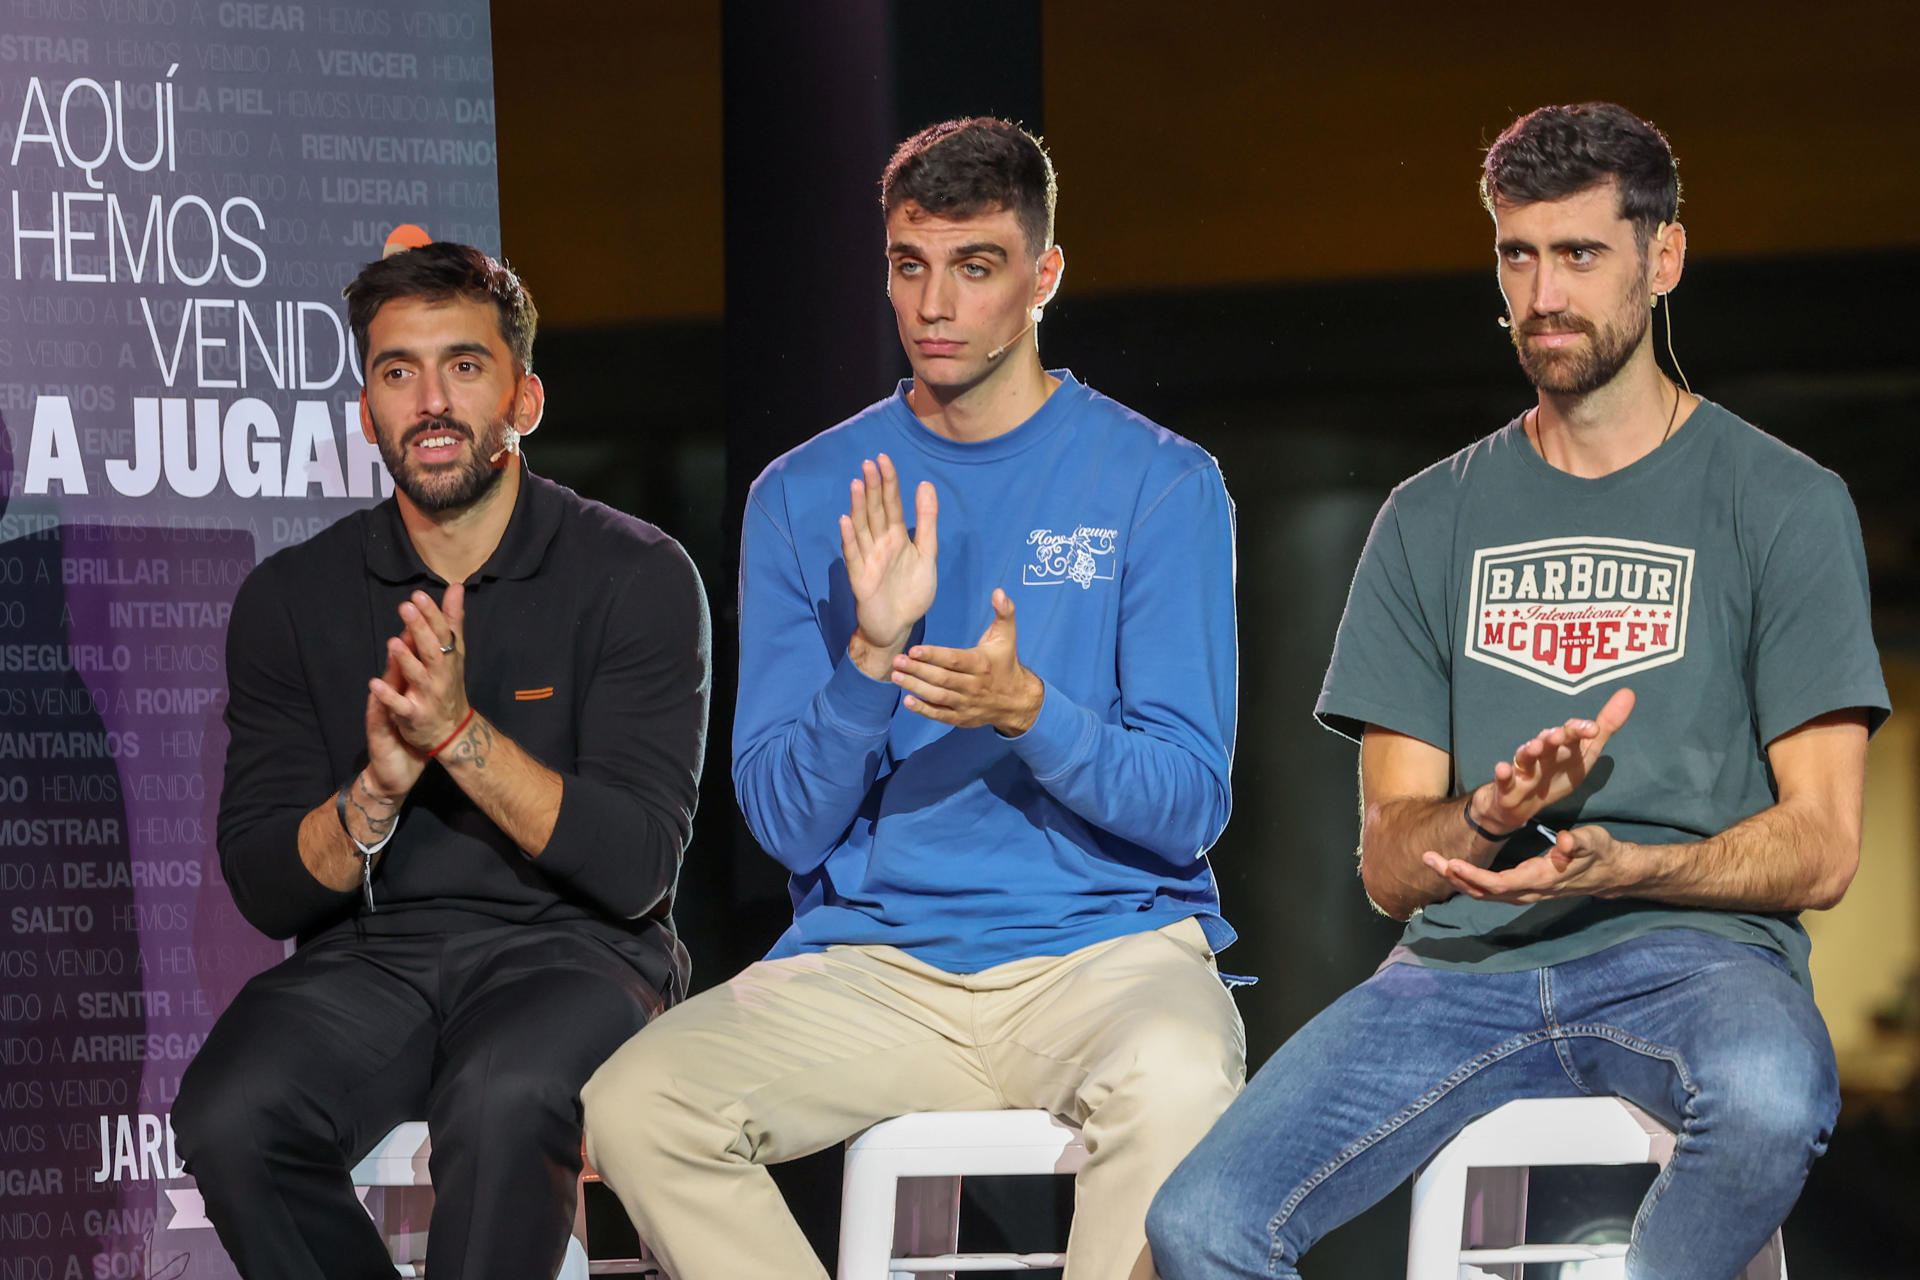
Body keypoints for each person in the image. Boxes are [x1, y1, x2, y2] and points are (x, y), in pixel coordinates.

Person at [1145, 101, 1890, 1280]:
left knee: (1766, 1093)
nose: (1544, 293)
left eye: (1582, 253)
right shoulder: (1428, 518)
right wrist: (1489, 816)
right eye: (1518, 253)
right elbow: (1391, 865)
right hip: (1460, 970)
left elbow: (1825, 843)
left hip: (1699, 957)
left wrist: (1636, 864)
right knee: (1200, 1221)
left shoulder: (1784, 503)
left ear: (1665, 257)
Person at [582, 117, 1246, 1280]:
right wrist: (869, 656)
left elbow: (1189, 802)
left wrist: (1028, 708)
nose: (934, 302)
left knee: (1185, 1072)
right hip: (878, 963)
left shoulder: (1162, 481)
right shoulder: (804, 495)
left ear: (1044, 275)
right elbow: (784, 824)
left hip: (1106, 952)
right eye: (909, 263)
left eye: (975, 266)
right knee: (637, 1101)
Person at [172, 242, 711, 1280]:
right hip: (372, 957)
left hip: (579, 949)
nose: (430, 400)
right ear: (366, 409)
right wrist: (376, 786)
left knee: (504, 1097)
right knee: (231, 1112)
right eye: (396, 370)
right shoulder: (293, 596)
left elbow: (637, 864)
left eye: (464, 366)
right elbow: (267, 885)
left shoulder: (635, 573)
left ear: (526, 395)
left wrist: (459, 738)